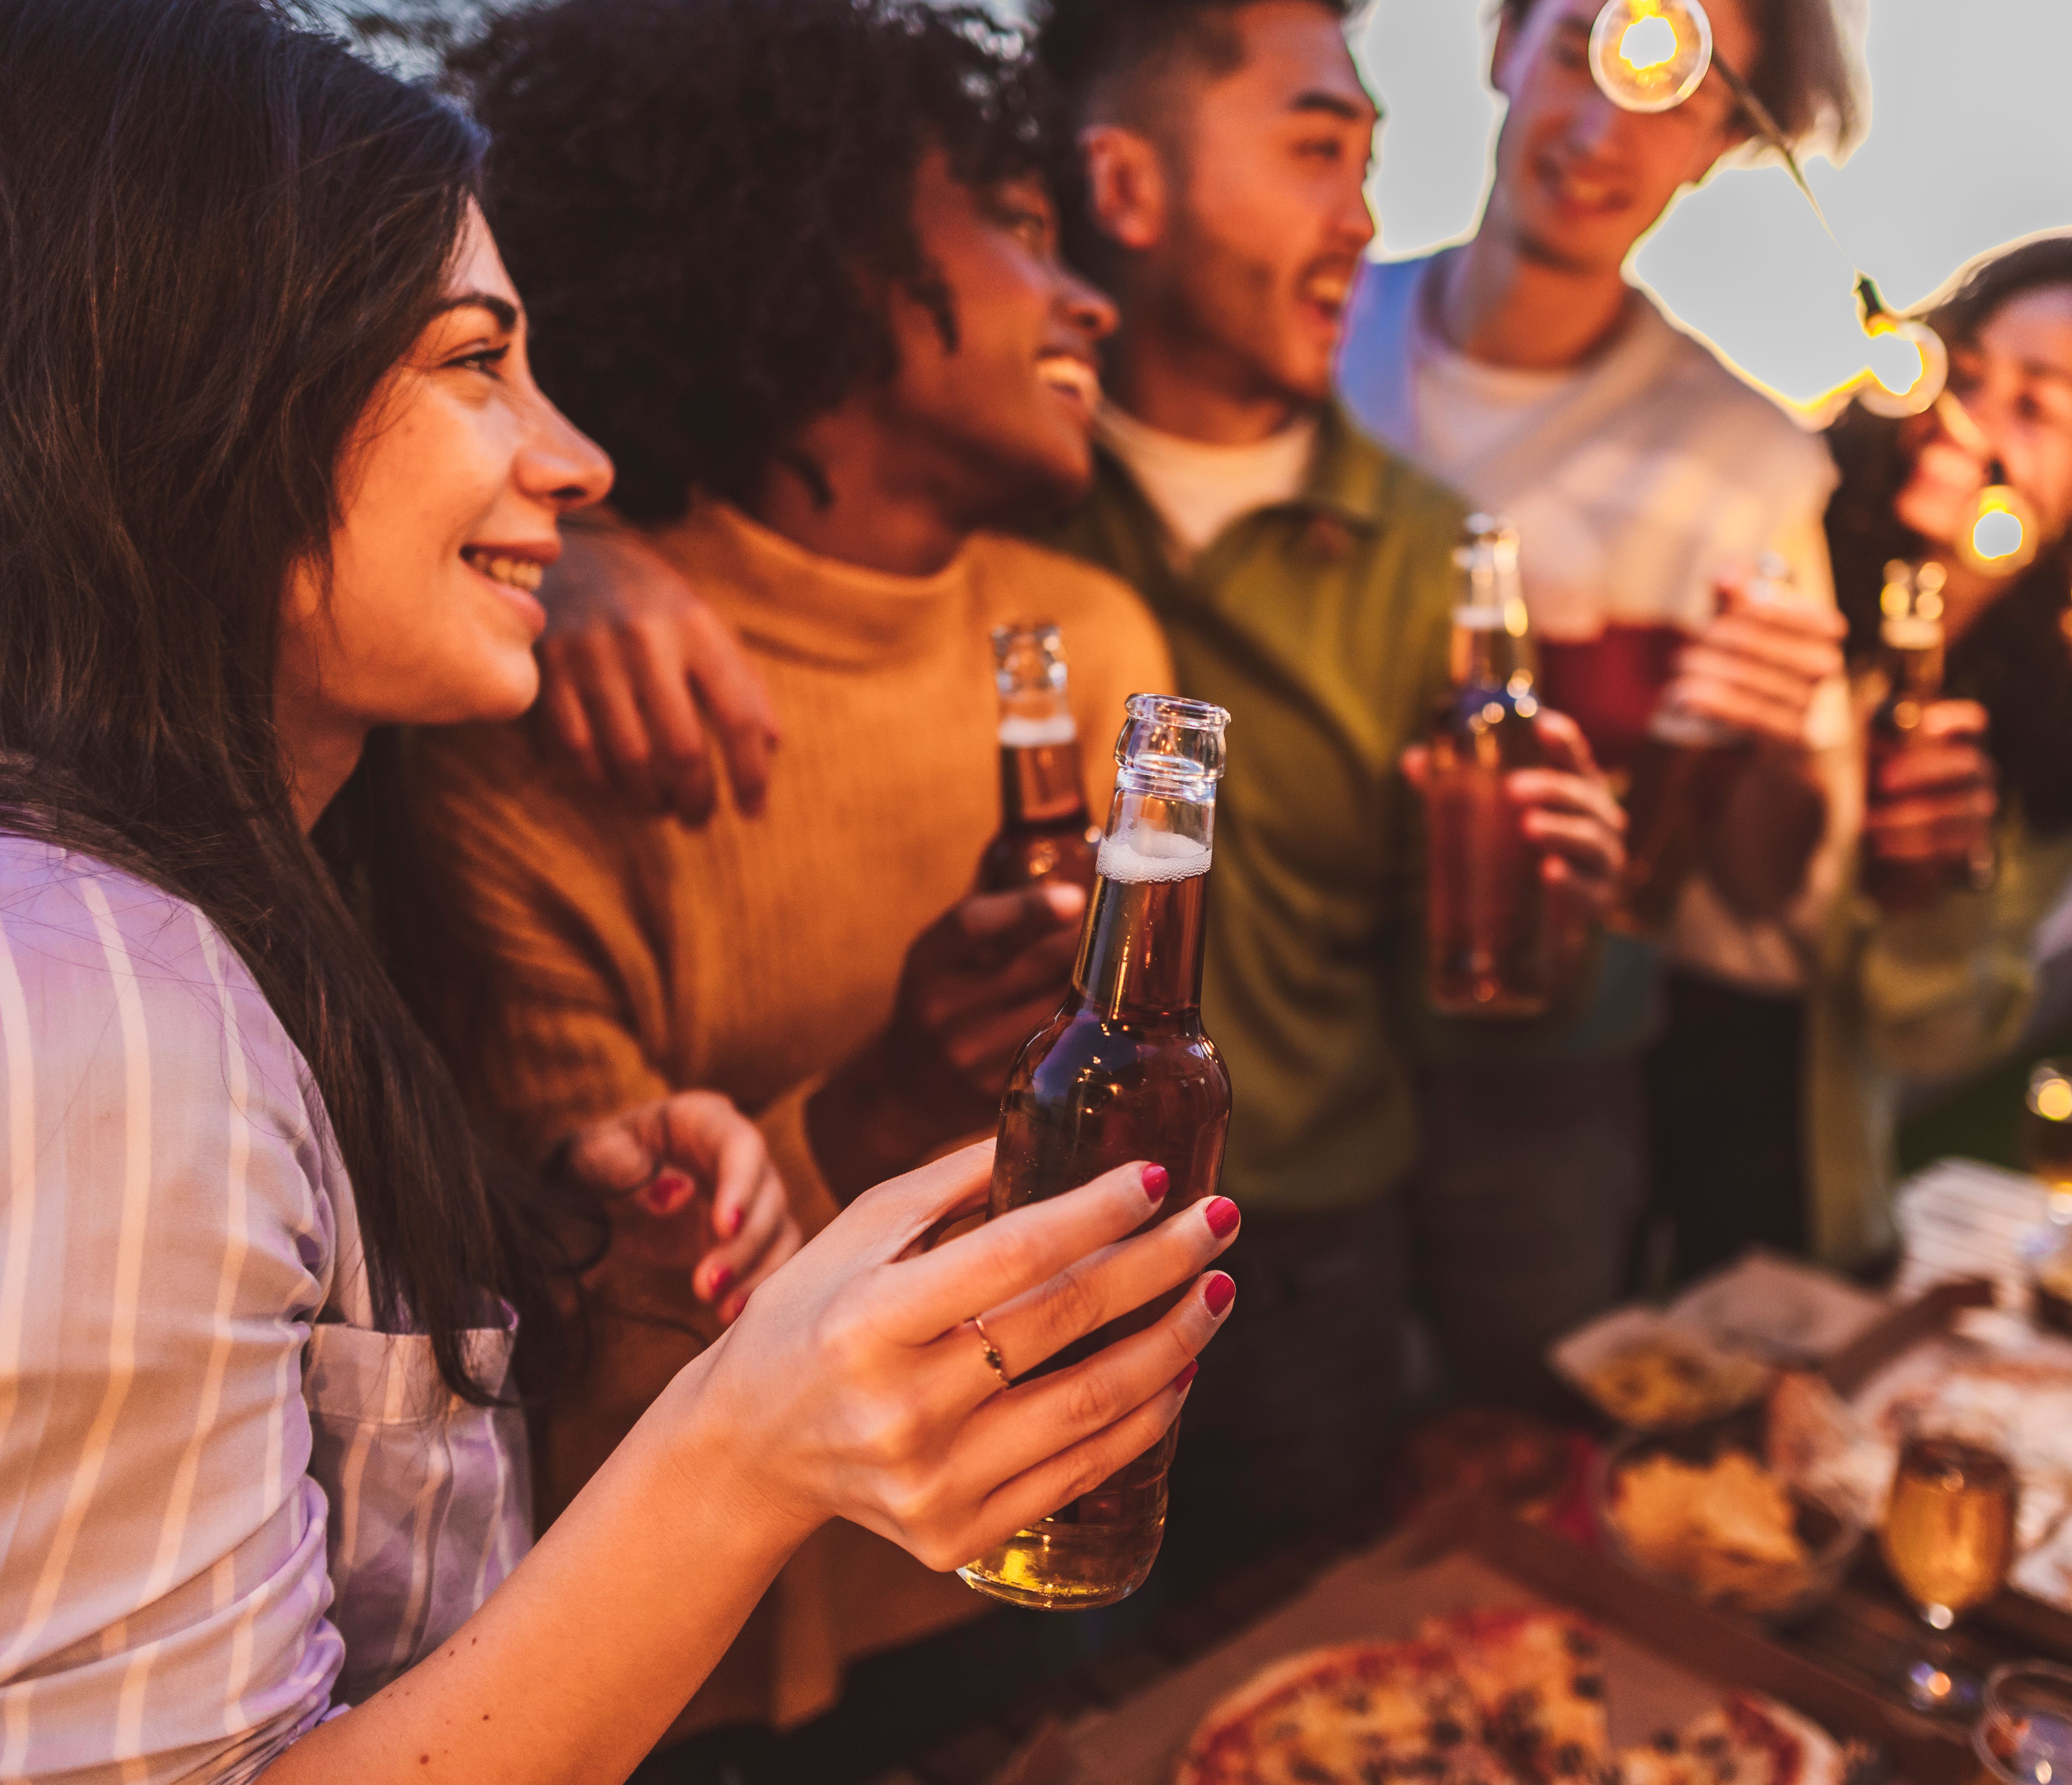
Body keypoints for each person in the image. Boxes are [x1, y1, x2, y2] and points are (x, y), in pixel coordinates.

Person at [0, 4, 1235, 1782]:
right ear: (213, 389)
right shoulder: (107, 1004)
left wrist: (575, 1247)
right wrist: (749, 1442)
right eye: (474, 362)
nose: (575, 468)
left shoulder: (275, 898)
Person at [398, 0, 1176, 1769]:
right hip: (723, 1661)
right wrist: (896, 1095)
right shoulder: (545, 706)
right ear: (817, 253)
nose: (1093, 301)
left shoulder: (1104, 648)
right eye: (1020, 227)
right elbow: (584, 1333)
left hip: (1063, 1544)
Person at [1023, 0, 1627, 1579]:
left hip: (1303, 1262)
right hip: (1018, 1237)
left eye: (1367, 162)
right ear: (1128, 187)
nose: (1361, 217)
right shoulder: (994, 484)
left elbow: (1476, 976)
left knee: (1289, 1648)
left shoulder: (1435, 553)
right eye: (1312, 150)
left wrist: (1556, 903)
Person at [1335, 0, 1862, 1374]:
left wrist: (1775, 746)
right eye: (1582, 45)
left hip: (1545, 1088)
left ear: (1719, 144)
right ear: (1501, 43)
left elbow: (1761, 886)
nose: (1603, 124)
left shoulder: (1745, 461)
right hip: (1288, 1046)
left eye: (1679, 90)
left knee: (1522, 1460)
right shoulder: (1319, 337)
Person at [1801, 233, 2072, 1269]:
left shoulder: (2070, 738)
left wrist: (1939, 887)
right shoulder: (1787, 544)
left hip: (1804, 1192)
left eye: (2034, 404)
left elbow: (1933, 1040)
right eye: (1967, 372)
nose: (1961, 421)